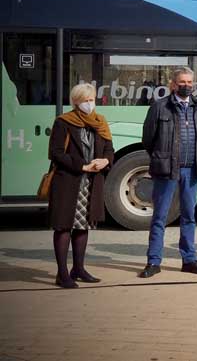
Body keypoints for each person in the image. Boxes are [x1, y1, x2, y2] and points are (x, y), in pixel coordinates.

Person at [139, 67, 197, 278]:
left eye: (190, 82)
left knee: (189, 216)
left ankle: (189, 260)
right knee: (160, 217)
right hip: (166, 170)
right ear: (173, 84)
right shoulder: (159, 107)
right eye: (182, 82)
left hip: (191, 169)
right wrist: (161, 158)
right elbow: (148, 139)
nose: (186, 86)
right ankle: (153, 262)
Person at [47, 83, 114, 288]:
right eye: (85, 100)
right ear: (76, 102)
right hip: (69, 181)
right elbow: (56, 153)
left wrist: (105, 161)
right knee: (64, 226)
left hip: (91, 184)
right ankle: (62, 273)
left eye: (92, 99)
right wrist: (82, 166)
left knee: (83, 226)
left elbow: (110, 149)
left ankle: (79, 269)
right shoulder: (63, 122)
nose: (90, 104)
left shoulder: (100, 122)